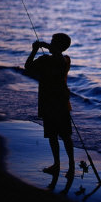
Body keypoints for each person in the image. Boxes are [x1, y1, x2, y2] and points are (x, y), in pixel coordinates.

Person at [25, 33, 75, 177]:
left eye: (54, 42)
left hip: (61, 104)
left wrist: (45, 46)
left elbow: (59, 60)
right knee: (52, 136)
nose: (51, 44)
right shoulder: (44, 60)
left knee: (66, 136)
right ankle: (57, 164)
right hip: (47, 103)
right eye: (51, 42)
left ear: (61, 47)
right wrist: (34, 50)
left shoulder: (65, 60)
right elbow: (28, 67)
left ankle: (71, 167)